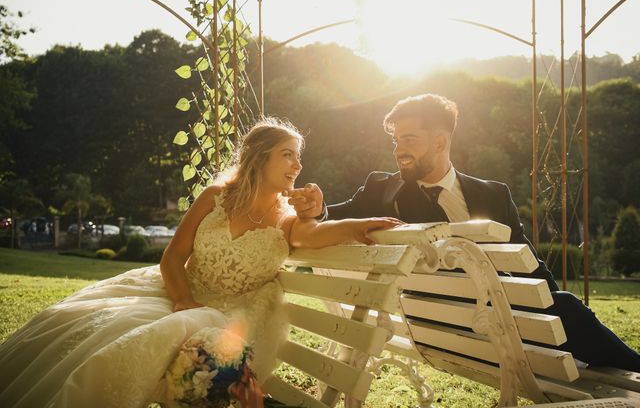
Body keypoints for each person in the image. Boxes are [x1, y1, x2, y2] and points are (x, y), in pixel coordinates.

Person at [0, 117, 400, 408]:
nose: (297, 166)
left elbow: (315, 234)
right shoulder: (214, 198)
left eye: (299, 158)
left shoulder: (288, 219)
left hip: (230, 316)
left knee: (156, 335)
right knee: (88, 327)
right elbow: (173, 257)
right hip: (180, 294)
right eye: (287, 155)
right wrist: (182, 299)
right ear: (258, 158)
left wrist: (360, 225)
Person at [289, 93, 640, 372]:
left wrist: (545, 299)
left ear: (440, 143)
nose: (398, 150)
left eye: (409, 139)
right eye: (396, 141)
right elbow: (336, 216)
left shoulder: (493, 193)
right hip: (447, 324)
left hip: (501, 318)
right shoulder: (382, 190)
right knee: (567, 310)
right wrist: (318, 208)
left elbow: (529, 263)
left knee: (558, 305)